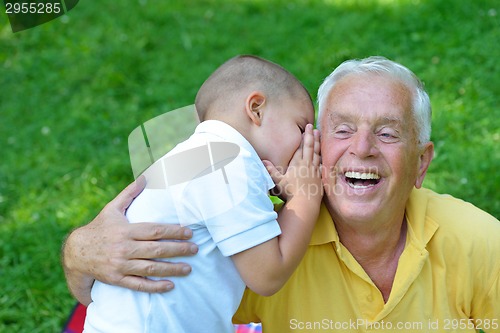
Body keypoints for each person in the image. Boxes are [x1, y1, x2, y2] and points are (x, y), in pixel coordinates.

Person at [63, 56, 500, 333]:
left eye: (387, 133)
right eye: (341, 131)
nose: (362, 148)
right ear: (319, 146)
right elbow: (116, 298)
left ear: (421, 162)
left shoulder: (478, 241)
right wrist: (79, 251)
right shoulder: (257, 231)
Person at [81, 55, 322, 332]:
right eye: (300, 127)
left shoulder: (200, 156)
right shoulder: (228, 162)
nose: (307, 142)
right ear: (256, 109)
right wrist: (306, 196)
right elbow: (268, 275)